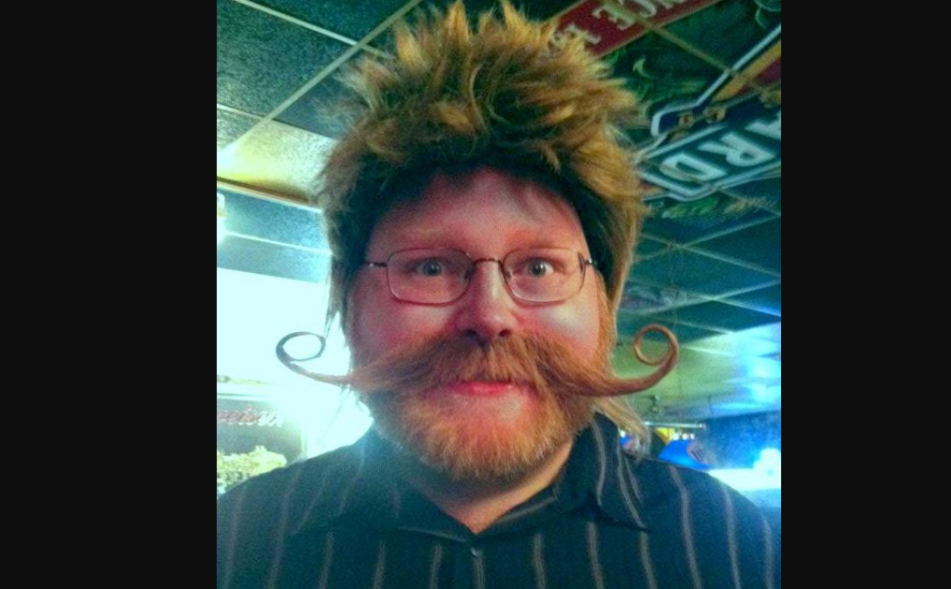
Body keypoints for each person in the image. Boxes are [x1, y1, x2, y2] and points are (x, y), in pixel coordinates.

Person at [217, 2, 780, 587]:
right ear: (348, 302)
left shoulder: (738, 544)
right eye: (430, 267)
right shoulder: (236, 542)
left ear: (603, 305)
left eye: (539, 265)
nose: (489, 315)